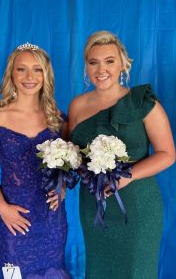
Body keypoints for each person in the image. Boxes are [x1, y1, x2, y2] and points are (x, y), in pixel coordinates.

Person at [68, 31, 176, 279]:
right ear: (86, 65)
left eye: (109, 61)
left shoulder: (143, 104)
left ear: (122, 64)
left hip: (138, 205)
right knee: (98, 269)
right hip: (94, 206)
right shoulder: (77, 106)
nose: (101, 69)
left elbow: (167, 154)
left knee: (136, 270)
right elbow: (71, 154)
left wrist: (126, 176)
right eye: (93, 62)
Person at [0, 42, 70, 278]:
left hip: (51, 219)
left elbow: (67, 165)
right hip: (12, 216)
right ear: (12, 73)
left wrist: (62, 189)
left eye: (37, 69)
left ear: (45, 74)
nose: (30, 76)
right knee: (13, 273)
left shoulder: (58, 118)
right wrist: (2, 208)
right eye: (22, 69)